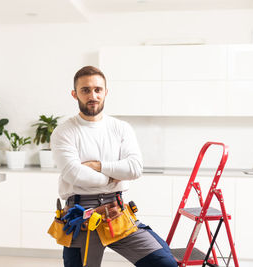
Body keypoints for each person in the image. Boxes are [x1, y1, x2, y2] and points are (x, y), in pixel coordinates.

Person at [50, 66, 177, 267]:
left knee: (165, 263)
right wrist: (113, 177)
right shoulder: (64, 132)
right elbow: (75, 174)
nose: (92, 95)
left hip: (116, 213)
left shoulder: (121, 128)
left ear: (106, 92)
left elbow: (134, 168)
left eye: (98, 89)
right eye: (85, 90)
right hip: (81, 217)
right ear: (75, 94)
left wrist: (97, 166)